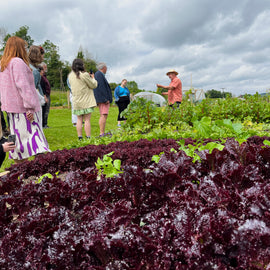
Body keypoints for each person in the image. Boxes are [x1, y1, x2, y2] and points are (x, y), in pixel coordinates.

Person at [0, 36, 50, 163]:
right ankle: (33, 171)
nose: (25, 49)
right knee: (32, 141)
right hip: (23, 109)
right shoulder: (17, 62)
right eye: (24, 46)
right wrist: (30, 107)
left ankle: (21, 171)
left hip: (11, 110)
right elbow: (24, 87)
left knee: (19, 143)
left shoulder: (3, 64)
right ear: (19, 47)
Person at [68, 58, 97, 140]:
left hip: (76, 101)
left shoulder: (70, 76)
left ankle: (80, 137)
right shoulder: (84, 75)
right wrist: (93, 78)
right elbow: (93, 85)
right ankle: (88, 137)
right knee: (87, 120)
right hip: (86, 101)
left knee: (79, 119)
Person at [94, 62, 112, 136]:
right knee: (103, 115)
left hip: (102, 98)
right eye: (106, 67)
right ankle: (102, 133)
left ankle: (102, 133)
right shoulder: (99, 74)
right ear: (103, 67)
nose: (107, 69)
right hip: (103, 99)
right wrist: (105, 99)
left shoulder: (99, 75)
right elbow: (100, 87)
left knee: (104, 115)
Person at [28, 45, 47, 119]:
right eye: (42, 55)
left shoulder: (28, 67)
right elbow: (33, 89)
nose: (43, 57)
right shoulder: (35, 71)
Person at [40, 63, 51, 128]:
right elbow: (42, 86)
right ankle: (44, 124)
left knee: (46, 110)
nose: (46, 68)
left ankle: (45, 123)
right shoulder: (41, 77)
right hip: (45, 95)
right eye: (45, 67)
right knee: (45, 110)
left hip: (47, 94)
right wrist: (44, 95)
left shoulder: (44, 76)